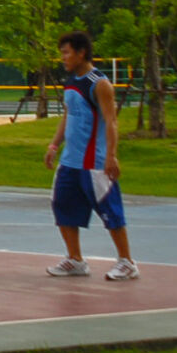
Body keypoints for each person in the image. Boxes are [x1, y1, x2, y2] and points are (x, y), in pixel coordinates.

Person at [44, 30, 139, 281]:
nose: (62, 58)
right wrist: (54, 145)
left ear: (81, 52)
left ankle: (127, 262)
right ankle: (75, 259)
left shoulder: (100, 84)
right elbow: (68, 116)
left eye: (66, 53)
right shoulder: (71, 82)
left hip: (93, 162)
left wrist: (112, 155)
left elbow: (111, 122)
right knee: (62, 207)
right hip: (70, 161)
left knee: (110, 211)